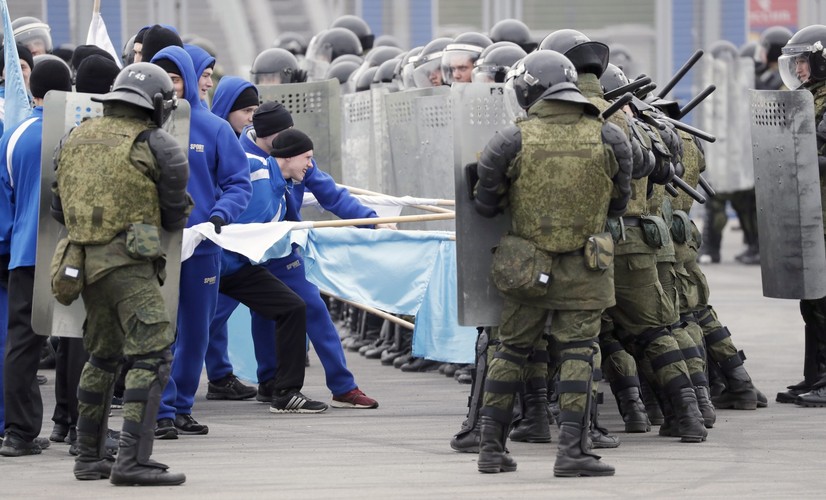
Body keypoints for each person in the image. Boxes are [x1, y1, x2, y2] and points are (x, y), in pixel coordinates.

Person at [472, 49, 632, 477]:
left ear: (529, 90)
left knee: (511, 350)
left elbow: (484, 206)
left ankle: (490, 448)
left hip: (526, 268)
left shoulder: (511, 138)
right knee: (580, 353)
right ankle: (572, 453)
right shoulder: (609, 136)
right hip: (586, 267)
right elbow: (620, 203)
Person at [51, 61, 191, 485]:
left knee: (103, 355)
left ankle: (89, 457)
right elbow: (174, 215)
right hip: (130, 262)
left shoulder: (74, 137)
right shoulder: (159, 144)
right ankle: (132, 460)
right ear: (156, 103)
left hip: (82, 262)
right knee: (153, 354)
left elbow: (57, 206)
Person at [206, 101, 380, 409]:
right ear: (275, 141)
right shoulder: (246, 163)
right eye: (286, 131)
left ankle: (342, 386)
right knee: (206, 320)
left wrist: (370, 220)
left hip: (281, 249)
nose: (292, 134)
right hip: (236, 257)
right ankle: (262, 382)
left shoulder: (296, 157)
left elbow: (330, 192)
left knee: (308, 308)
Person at [150, 45, 252, 438]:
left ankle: (181, 406)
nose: (170, 87)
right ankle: (158, 409)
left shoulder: (214, 128)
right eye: (164, 79)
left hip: (202, 247)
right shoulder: (143, 126)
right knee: (158, 331)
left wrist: (217, 217)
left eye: (176, 79)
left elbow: (237, 183)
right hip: (153, 249)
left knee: (196, 332)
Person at [205, 118, 324, 412]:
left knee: (293, 307)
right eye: (307, 158)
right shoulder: (253, 171)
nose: (310, 165)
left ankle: (282, 391)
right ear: (287, 157)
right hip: (210, 263)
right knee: (186, 330)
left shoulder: (281, 191)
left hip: (238, 268)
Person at [0, 58, 72, 457]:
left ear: (33, 91)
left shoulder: (12, 136)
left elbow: (3, 201)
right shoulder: (75, 131)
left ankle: (18, 433)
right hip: (72, 254)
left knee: (22, 345)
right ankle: (75, 425)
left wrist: (7, 243)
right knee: (76, 341)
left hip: (25, 254)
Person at [775, 24, 826, 406]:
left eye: (805, 62)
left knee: (823, 300)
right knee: (811, 299)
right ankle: (815, 376)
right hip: (813, 212)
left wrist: (805, 160)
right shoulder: (810, 100)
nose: (800, 70)